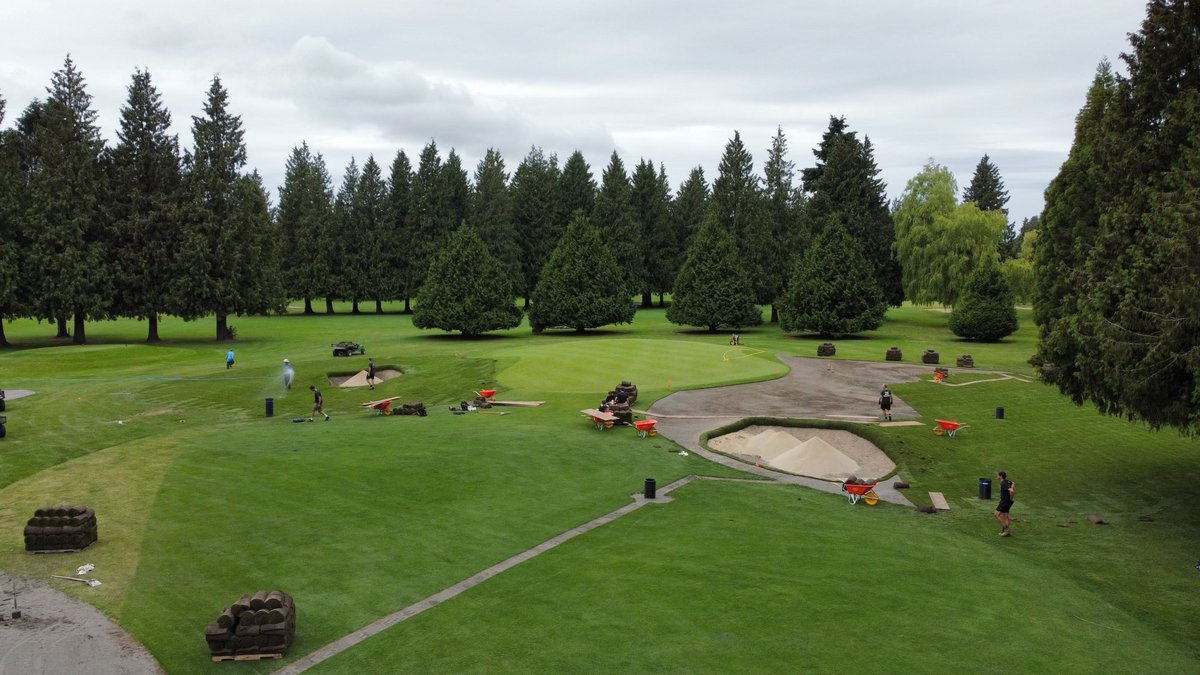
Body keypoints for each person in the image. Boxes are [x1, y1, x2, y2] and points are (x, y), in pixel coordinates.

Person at [994, 471, 1015, 536]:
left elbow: (1012, 491)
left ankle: (1006, 530)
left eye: (997, 475)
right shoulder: (1007, 481)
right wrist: (1010, 499)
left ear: (1001, 476)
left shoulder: (1003, 483)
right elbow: (1013, 483)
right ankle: (1006, 533)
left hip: (1004, 501)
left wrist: (1011, 498)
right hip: (1007, 501)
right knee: (1006, 516)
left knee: (996, 514)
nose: (996, 476)